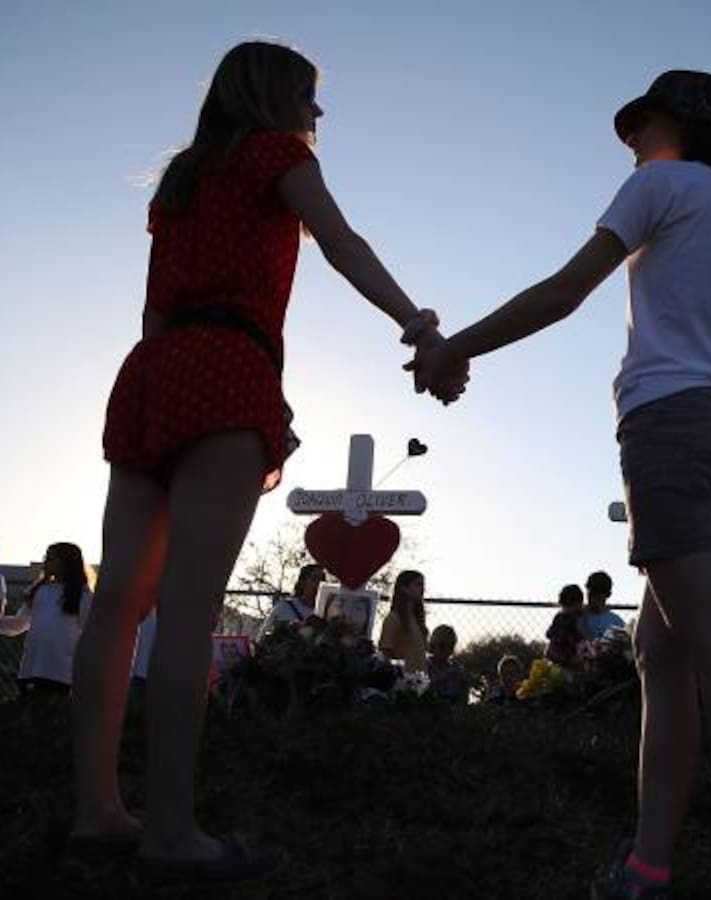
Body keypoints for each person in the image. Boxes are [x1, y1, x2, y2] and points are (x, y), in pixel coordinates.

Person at [411, 69, 711, 900]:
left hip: (669, 431)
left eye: (641, 124)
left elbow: (567, 293)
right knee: (659, 650)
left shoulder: (657, 185)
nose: (632, 140)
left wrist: (456, 346)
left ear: (678, 125)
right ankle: (648, 864)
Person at [67, 41, 465, 888]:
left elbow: (150, 306)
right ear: (276, 96)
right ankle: (172, 833)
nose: (318, 116)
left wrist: (171, 379)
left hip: (152, 369)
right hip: (227, 363)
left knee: (117, 606)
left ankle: (96, 812)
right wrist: (419, 324)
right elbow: (341, 242)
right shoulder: (276, 153)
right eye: (309, 97)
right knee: (187, 609)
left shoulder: (181, 179)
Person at [0, 543, 93, 694]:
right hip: (31, 669)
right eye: (45, 557)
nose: (45, 562)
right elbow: (19, 624)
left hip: (62, 673)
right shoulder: (40, 590)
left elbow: (89, 634)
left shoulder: (83, 595)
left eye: (51, 558)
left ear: (67, 562)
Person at [256, 564, 325, 641]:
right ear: (303, 582)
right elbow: (264, 637)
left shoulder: (326, 613)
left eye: (323, 580)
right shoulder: (284, 608)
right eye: (314, 579)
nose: (319, 584)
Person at [378, 570, 428, 673]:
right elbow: (386, 652)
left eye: (423, 585)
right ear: (404, 588)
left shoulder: (417, 620)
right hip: (402, 680)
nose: (422, 589)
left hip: (419, 680)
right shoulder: (394, 618)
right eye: (418, 584)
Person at [425, 624, 468, 704]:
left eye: (450, 647)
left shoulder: (457, 670)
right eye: (442, 646)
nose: (446, 651)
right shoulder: (425, 667)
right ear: (433, 645)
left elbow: (463, 698)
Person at [545, 584, 587, 667]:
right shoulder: (562, 618)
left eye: (569, 606)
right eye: (565, 606)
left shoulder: (580, 617)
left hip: (572, 657)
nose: (567, 610)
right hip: (564, 657)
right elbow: (551, 636)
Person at [582, 570, 625, 640]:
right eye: (591, 595)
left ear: (608, 595)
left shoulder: (616, 623)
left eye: (598, 597)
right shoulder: (578, 618)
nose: (593, 600)